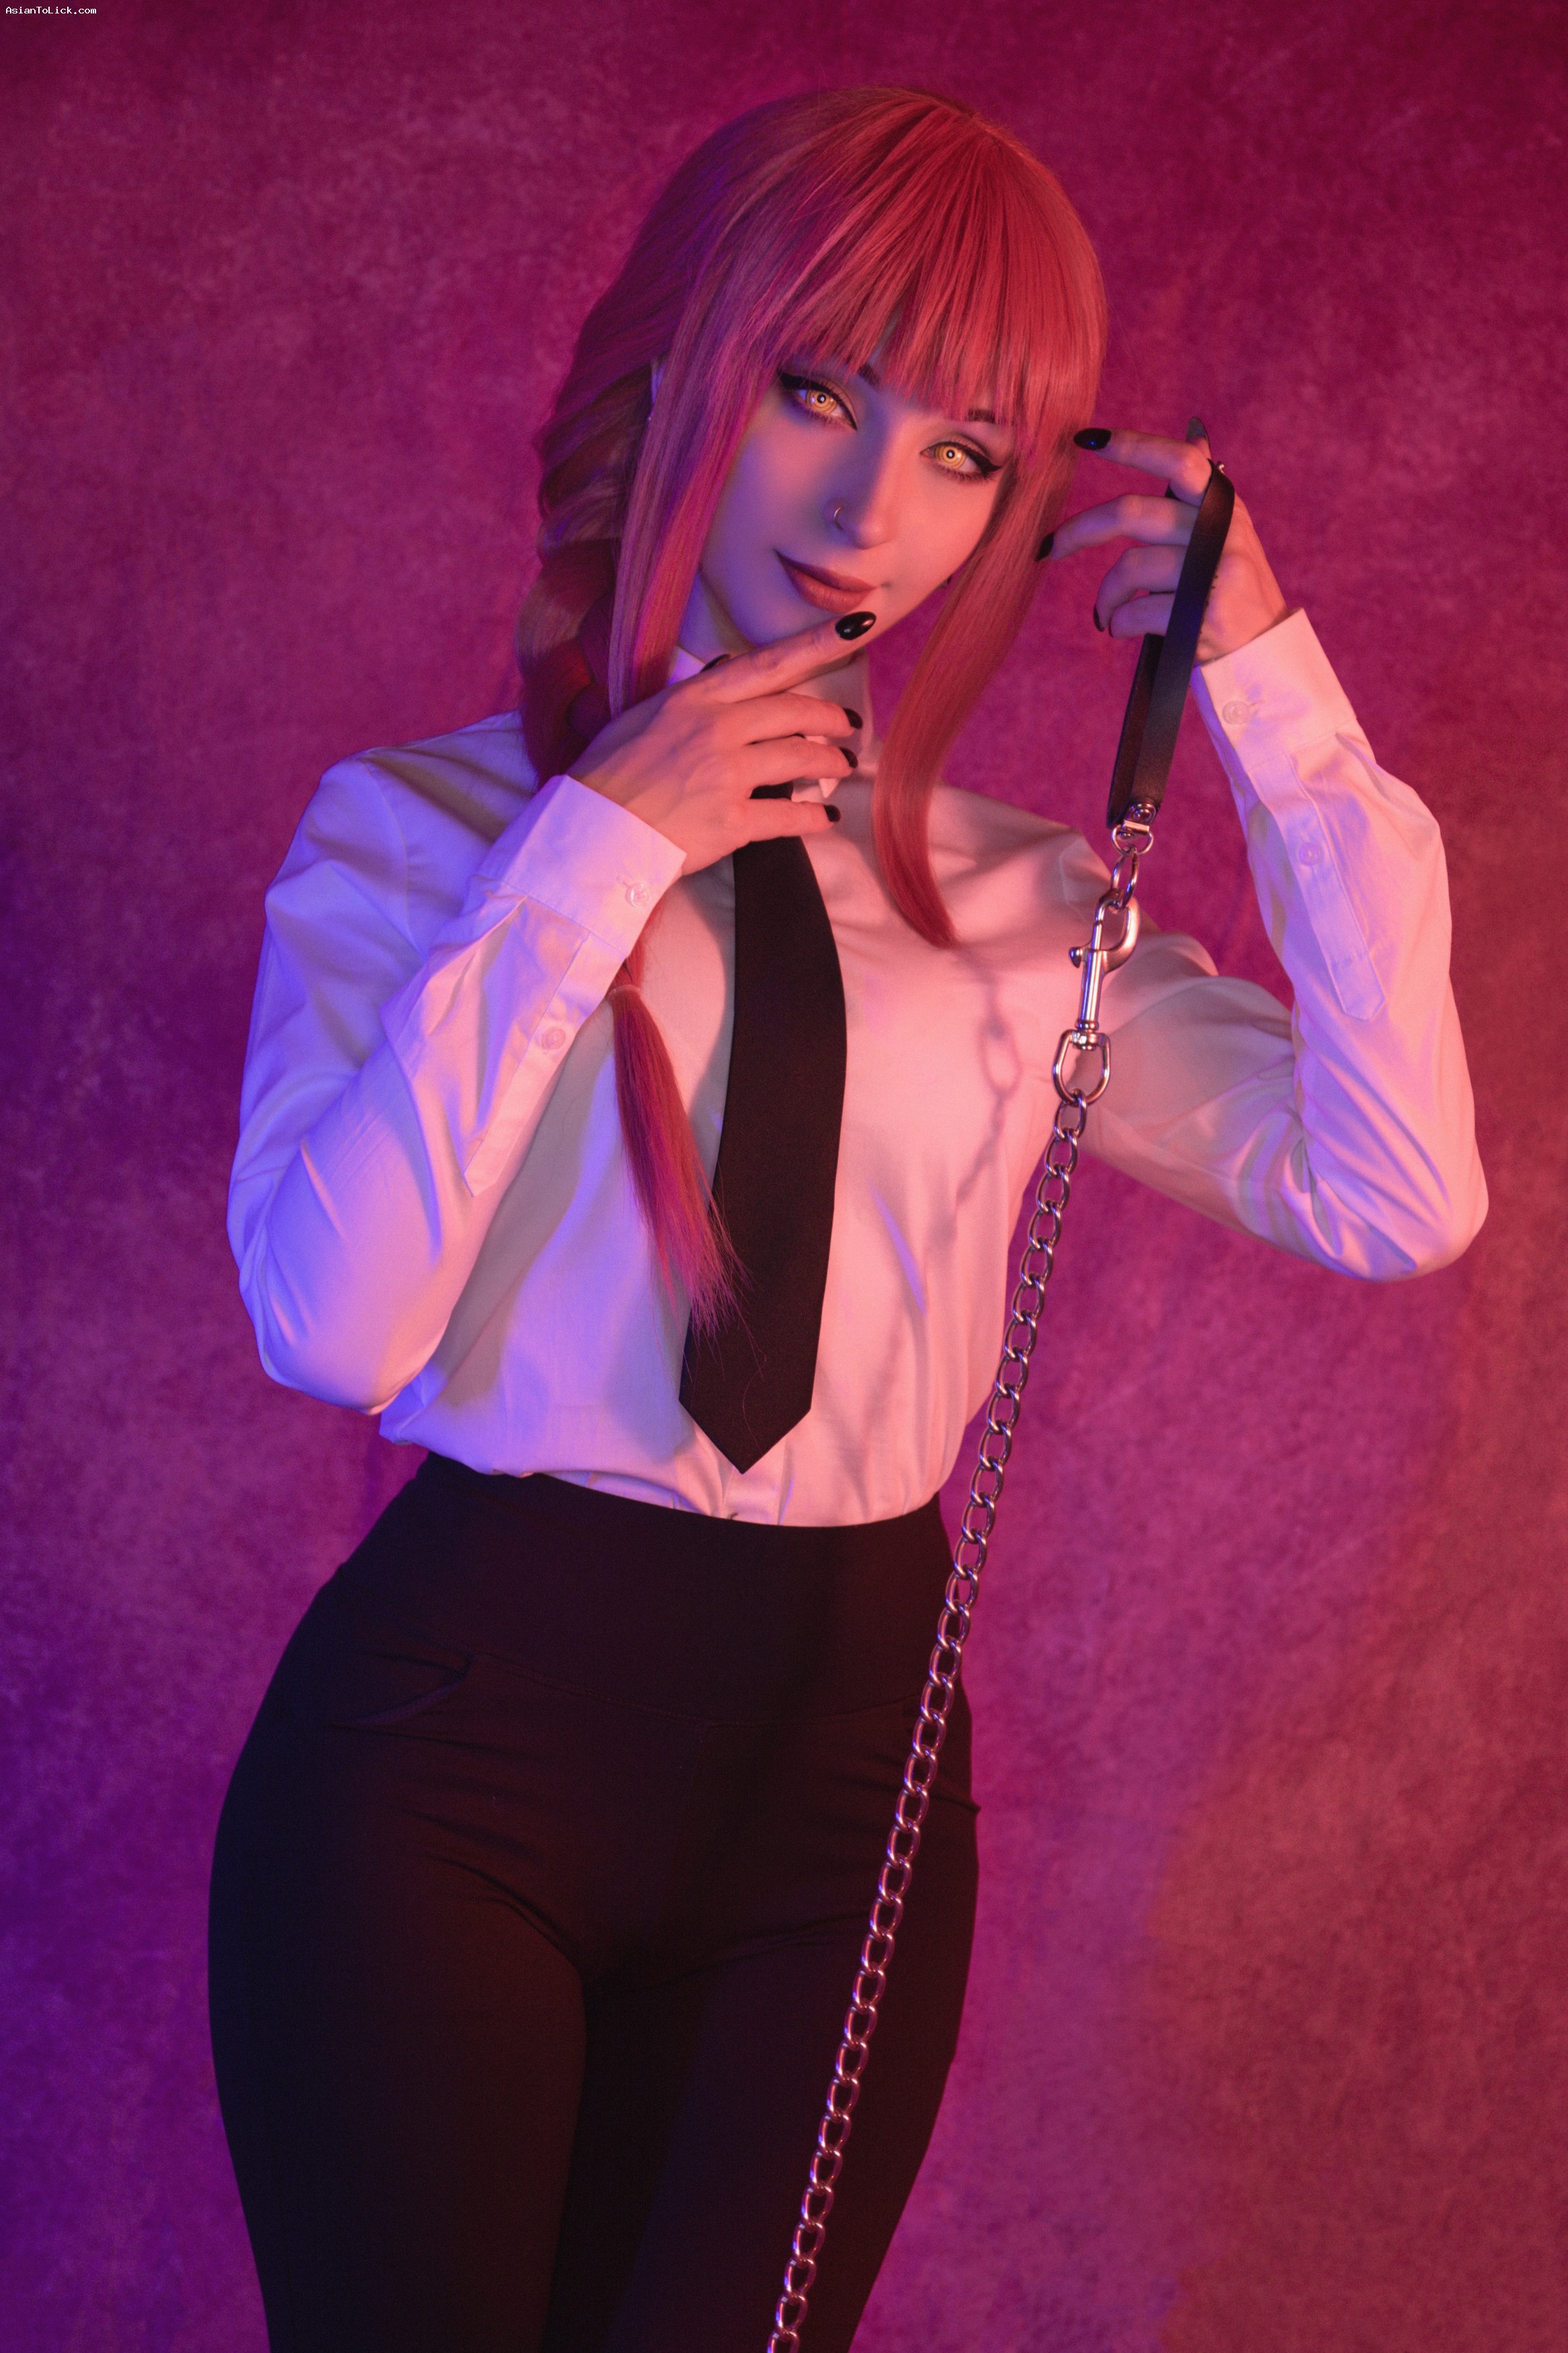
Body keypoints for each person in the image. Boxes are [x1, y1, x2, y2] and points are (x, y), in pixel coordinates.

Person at [208, 85, 1486, 2353]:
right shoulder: (425, 836)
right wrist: (598, 850)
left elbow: (1395, 1190)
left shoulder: (1017, 901)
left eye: (966, 449)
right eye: (818, 390)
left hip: (841, 1798)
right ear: (687, 365)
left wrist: (1270, 691)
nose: (870, 505)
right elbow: (331, 1320)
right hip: (452, 1762)